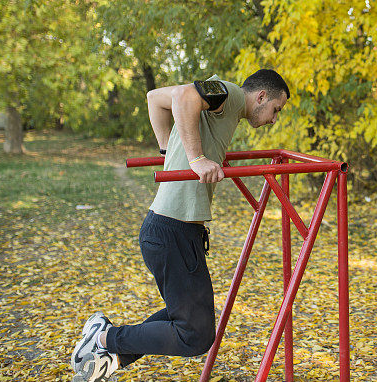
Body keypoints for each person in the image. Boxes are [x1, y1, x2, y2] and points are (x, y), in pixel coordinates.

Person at [70, 69, 290, 382]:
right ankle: (105, 339)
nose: (273, 119)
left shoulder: (225, 109)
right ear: (261, 96)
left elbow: (155, 98)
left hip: (175, 232)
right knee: (196, 335)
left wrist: (167, 150)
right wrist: (195, 157)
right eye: (275, 110)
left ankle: (111, 353)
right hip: (172, 231)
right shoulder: (228, 93)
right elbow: (185, 96)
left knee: (193, 322)